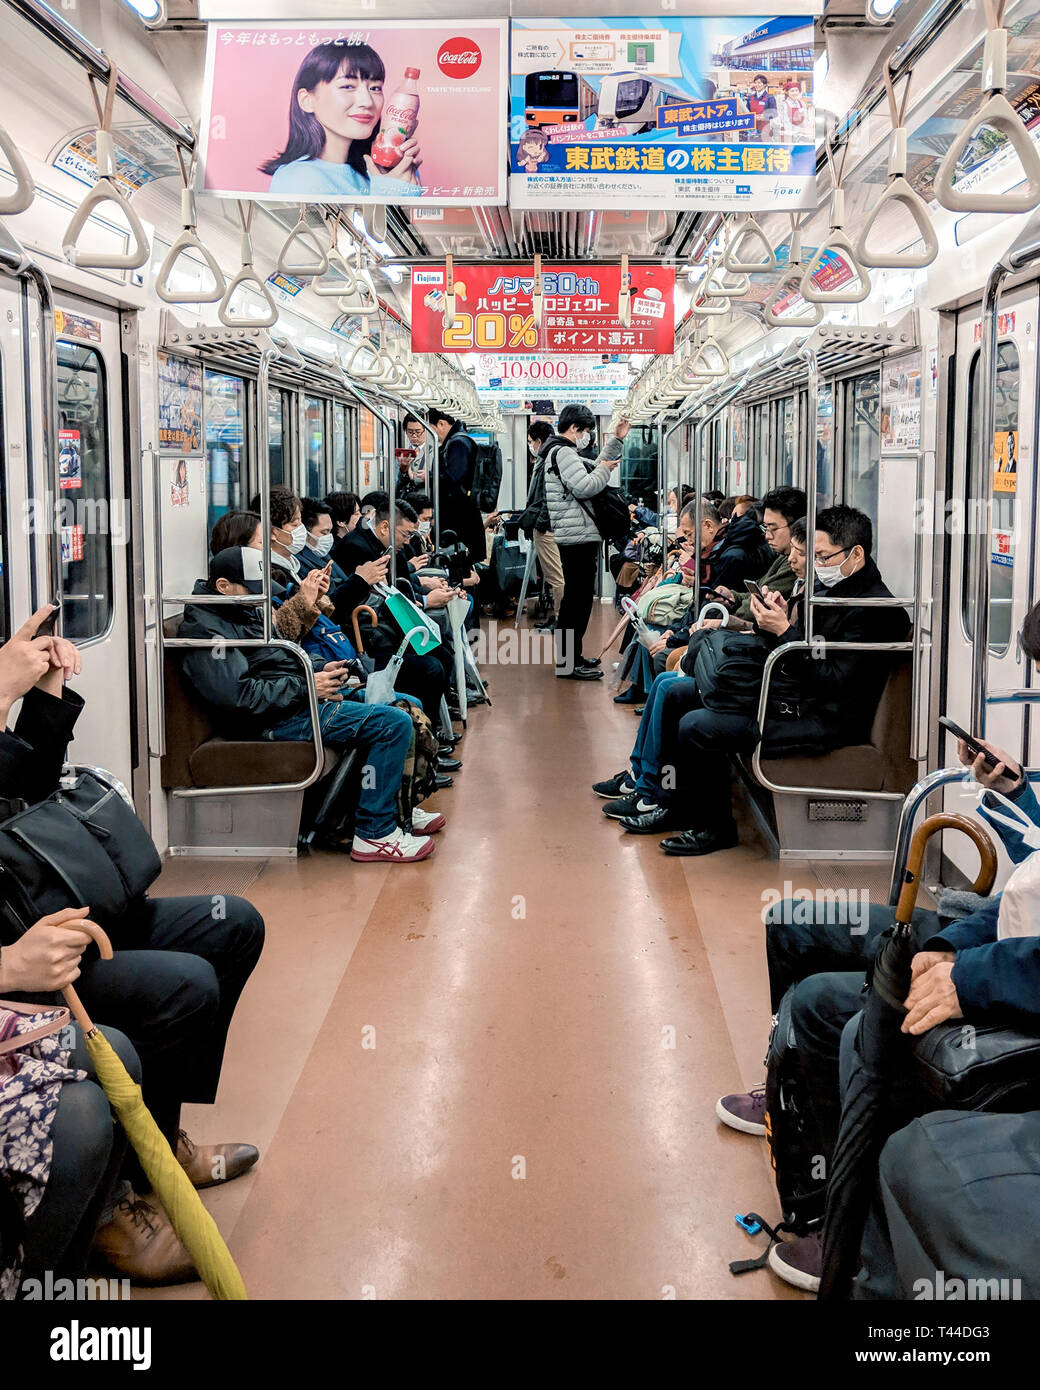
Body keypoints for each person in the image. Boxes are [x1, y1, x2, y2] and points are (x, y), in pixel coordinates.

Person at [715, 639, 1040, 1290]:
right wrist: (1007, 797)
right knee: (797, 929)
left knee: (852, 1022)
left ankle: (850, 1247)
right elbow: (1030, 873)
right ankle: (809, 1175)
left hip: (1014, 967)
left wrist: (970, 976)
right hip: (1000, 939)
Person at [0, 607, 264, 1282]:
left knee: (230, 924)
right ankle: (111, 1206)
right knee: (183, 986)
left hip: (40, 905)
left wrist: (44, 700)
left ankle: (160, 1156)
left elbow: (22, 793)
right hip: (19, 959)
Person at [646, 505, 908, 854]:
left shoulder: (875, 612)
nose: (815, 565)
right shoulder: (833, 590)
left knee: (697, 725)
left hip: (824, 718)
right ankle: (671, 801)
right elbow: (805, 654)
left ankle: (715, 828)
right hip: (796, 697)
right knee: (680, 695)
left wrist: (784, 631)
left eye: (822, 556)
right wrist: (777, 623)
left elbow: (832, 681)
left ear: (855, 553)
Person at [178, 549, 440, 862]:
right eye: (253, 589)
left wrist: (319, 672)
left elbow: (277, 659)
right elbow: (241, 698)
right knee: (392, 724)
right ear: (224, 586)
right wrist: (308, 687)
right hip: (271, 720)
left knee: (406, 704)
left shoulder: (242, 611)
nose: (261, 596)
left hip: (295, 700)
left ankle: (399, 808)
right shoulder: (206, 634)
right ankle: (374, 832)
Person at [596, 501, 808, 814]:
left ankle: (656, 790)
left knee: (677, 687)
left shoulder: (826, 597)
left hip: (779, 694)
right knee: (668, 681)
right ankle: (642, 777)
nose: (794, 558)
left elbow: (813, 669)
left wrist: (776, 626)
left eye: (805, 554)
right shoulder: (792, 575)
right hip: (761, 665)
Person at [260, 40, 423, 198]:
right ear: (307, 100)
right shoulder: (297, 179)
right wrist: (389, 198)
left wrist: (397, 173)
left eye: (375, 88)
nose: (367, 101)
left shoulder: (372, 174)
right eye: (347, 86)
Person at [542, 405, 631, 679]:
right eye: (586, 431)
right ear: (574, 429)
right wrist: (604, 470)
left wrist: (615, 441)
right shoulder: (564, 452)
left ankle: (573, 658)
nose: (587, 437)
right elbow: (586, 486)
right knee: (575, 602)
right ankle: (568, 664)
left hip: (577, 534)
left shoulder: (563, 452)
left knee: (577, 600)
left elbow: (592, 469)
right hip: (576, 536)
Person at [518, 419, 566, 630]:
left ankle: (560, 620)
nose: (530, 445)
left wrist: (540, 523)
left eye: (531, 441)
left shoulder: (548, 458)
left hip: (547, 528)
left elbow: (548, 497)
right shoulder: (548, 456)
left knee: (556, 577)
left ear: (538, 440)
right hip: (550, 526)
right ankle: (557, 618)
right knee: (553, 575)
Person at [427, 409, 487, 564]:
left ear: (441, 424)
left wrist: (429, 477)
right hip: (462, 516)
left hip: (459, 518)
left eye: (432, 429)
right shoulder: (459, 440)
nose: (434, 436)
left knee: (459, 564)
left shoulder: (458, 443)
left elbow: (454, 478)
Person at [747, 74, 778, 140]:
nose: (756, 85)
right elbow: (747, 111)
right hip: (752, 129)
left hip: (765, 129)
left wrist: (764, 116)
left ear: (764, 85)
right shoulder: (750, 98)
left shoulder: (770, 97)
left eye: (759, 83)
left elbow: (774, 113)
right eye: (755, 83)